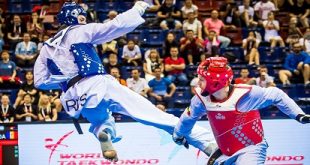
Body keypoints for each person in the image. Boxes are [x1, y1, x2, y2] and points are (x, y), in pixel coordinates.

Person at [34, 1, 216, 162]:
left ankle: (104, 134)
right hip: (97, 83)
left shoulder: (46, 47)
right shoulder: (81, 31)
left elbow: (40, 82)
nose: (84, 20)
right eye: (82, 17)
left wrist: (65, 80)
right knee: (154, 115)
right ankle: (208, 144)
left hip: (75, 95)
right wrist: (139, 7)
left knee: (100, 121)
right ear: (76, 17)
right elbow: (115, 26)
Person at [172, 57, 310, 164]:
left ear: (215, 82)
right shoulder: (201, 99)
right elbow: (187, 118)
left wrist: (298, 115)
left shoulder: (246, 94)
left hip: (251, 149)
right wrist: (178, 134)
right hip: (225, 151)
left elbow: (276, 94)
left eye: (201, 79)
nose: (197, 83)